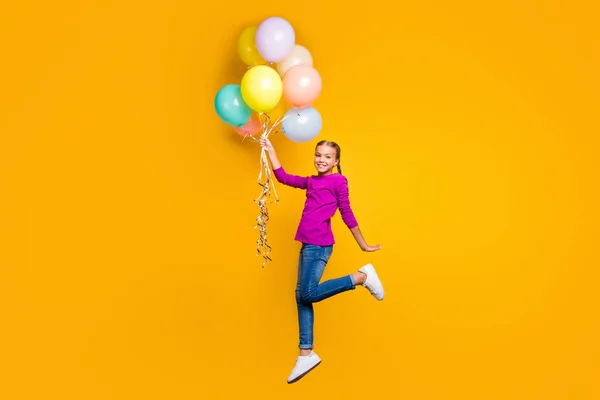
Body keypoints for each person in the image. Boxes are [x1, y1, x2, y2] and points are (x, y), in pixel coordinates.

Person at [259, 135, 385, 384]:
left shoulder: (338, 181)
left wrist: (363, 244)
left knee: (308, 293)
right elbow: (283, 177)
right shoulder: (312, 182)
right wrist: (271, 150)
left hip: (320, 245)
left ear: (336, 161)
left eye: (327, 157)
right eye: (318, 155)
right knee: (300, 296)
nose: (321, 160)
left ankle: (361, 277)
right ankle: (306, 352)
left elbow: (347, 212)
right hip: (307, 244)